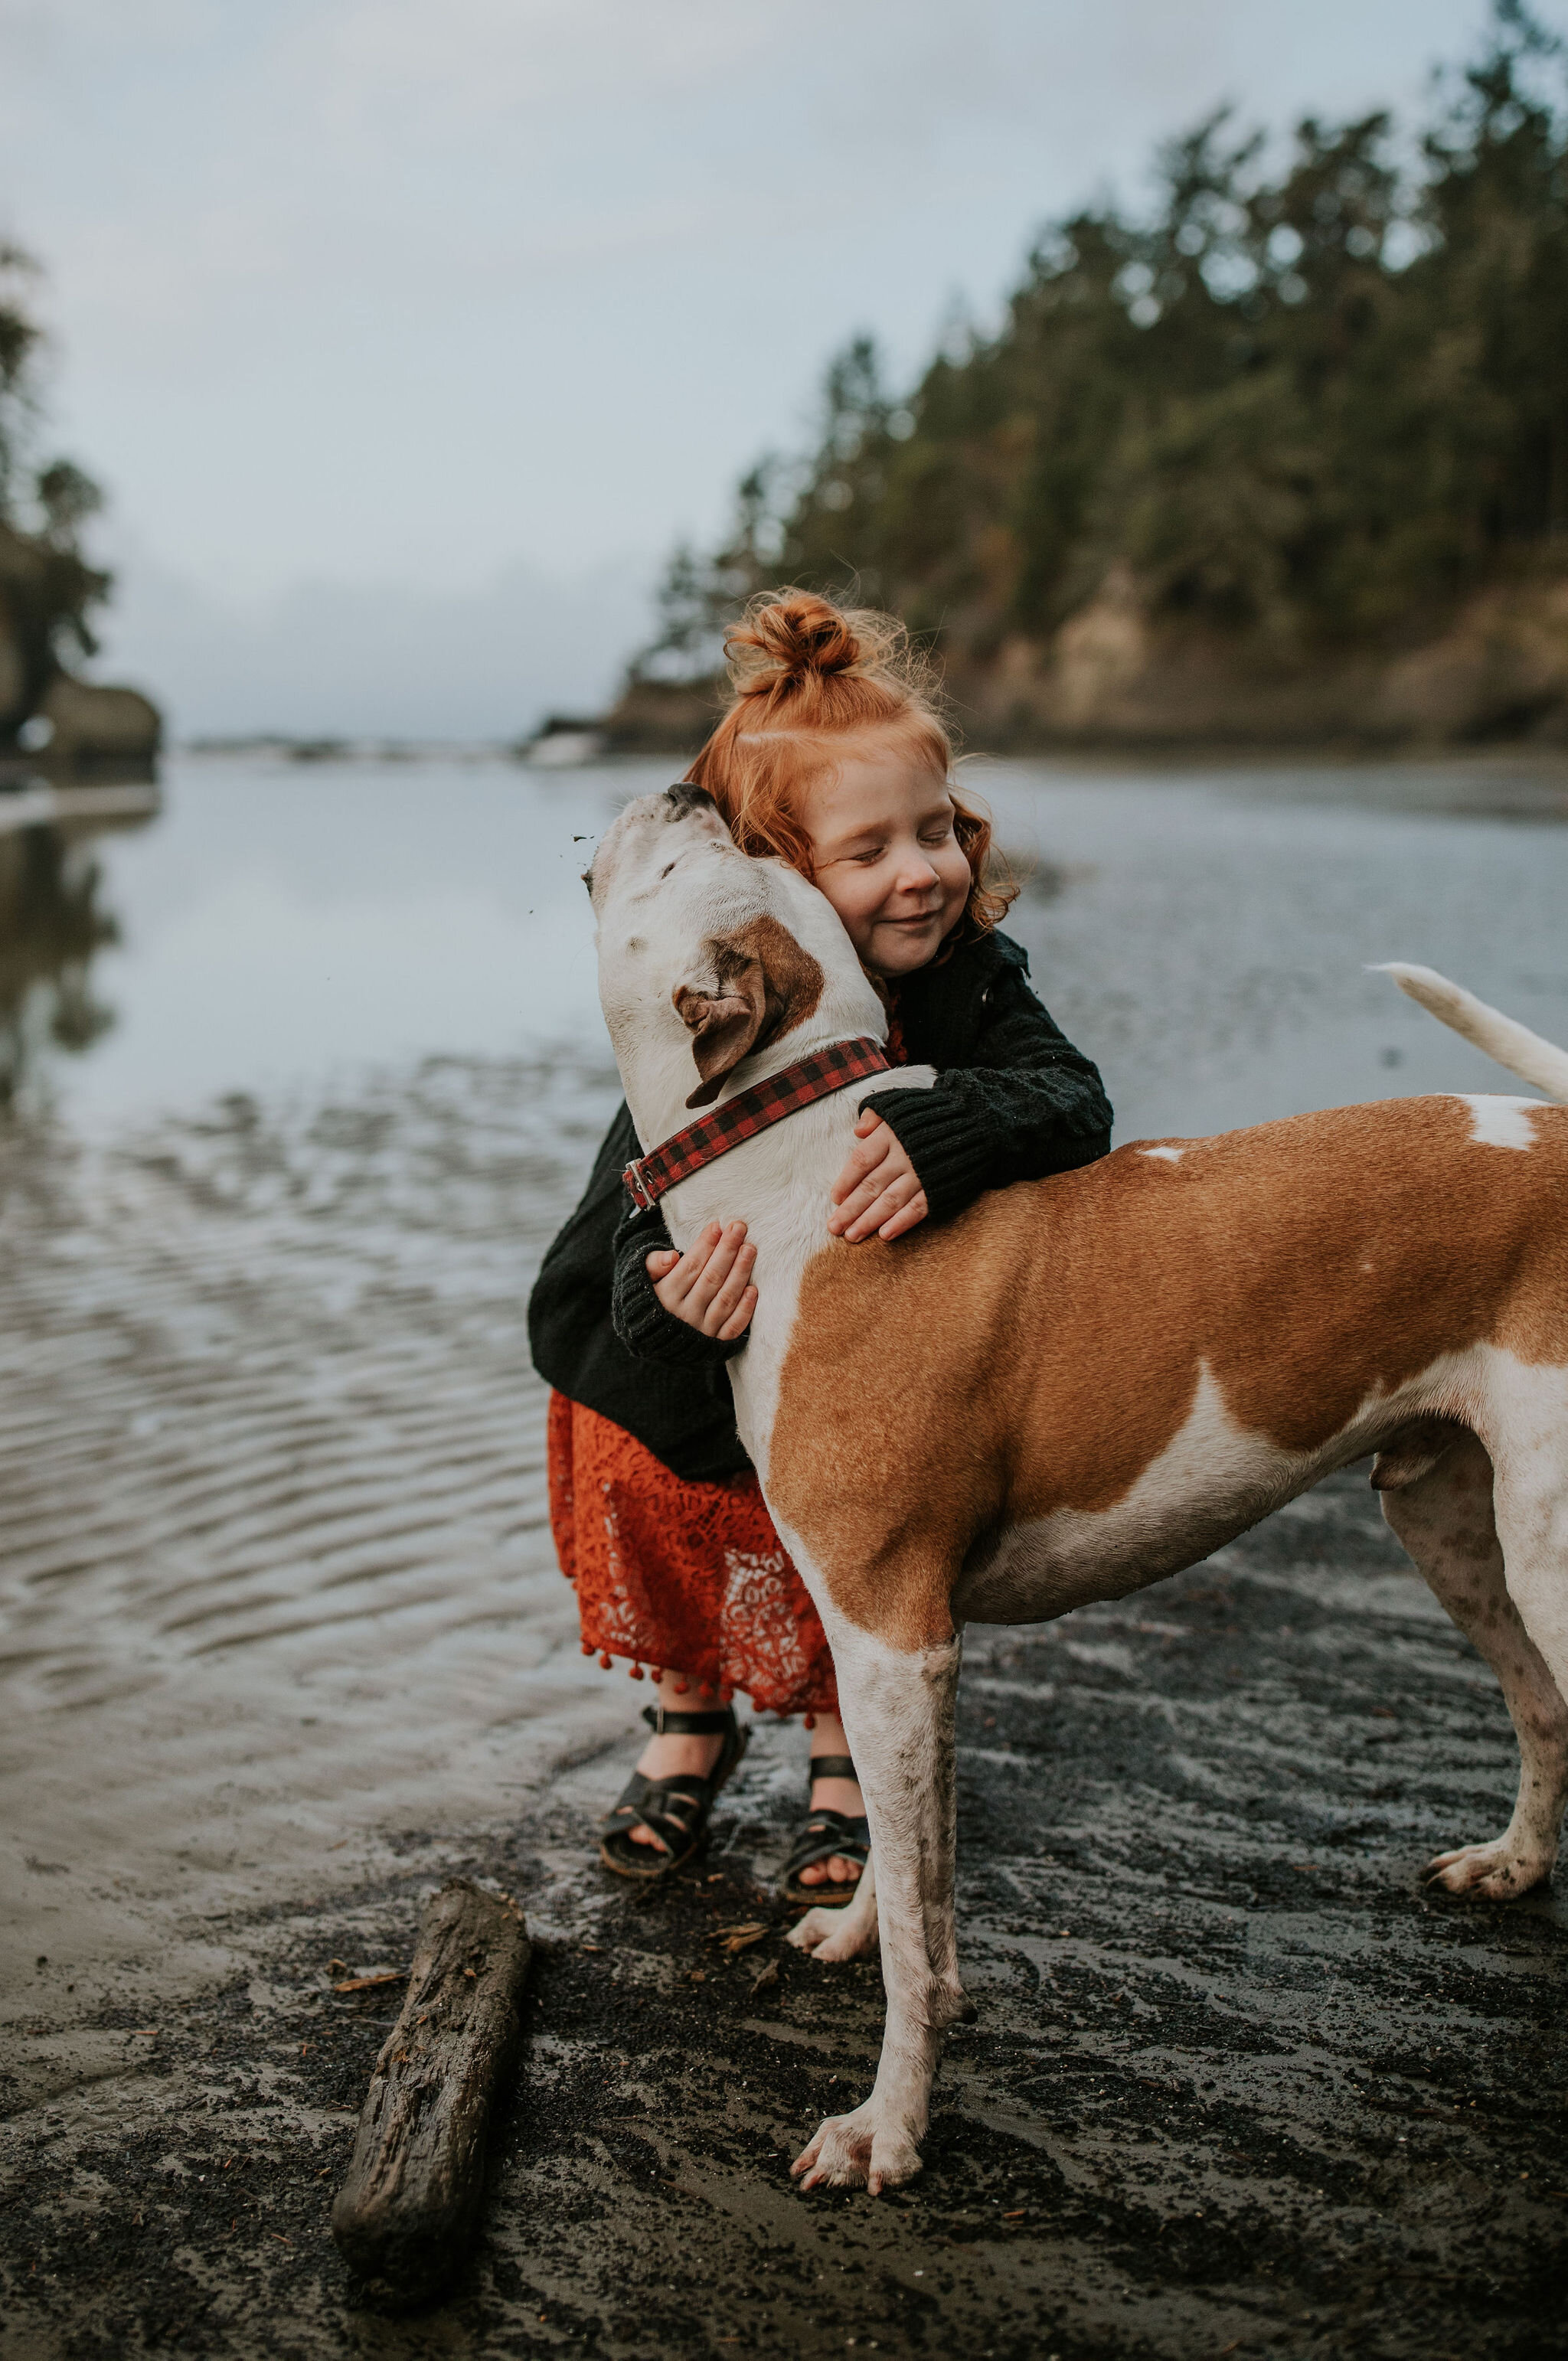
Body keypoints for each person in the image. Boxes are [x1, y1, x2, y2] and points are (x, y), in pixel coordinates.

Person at [528, 589, 1112, 1897]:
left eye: (937, 833)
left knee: (844, 1510)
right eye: (871, 853)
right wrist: (668, 1300)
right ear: (778, 877)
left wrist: (944, 1127)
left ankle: (842, 1742)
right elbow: (637, 1202)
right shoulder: (719, 1000)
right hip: (668, 1349)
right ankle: (689, 1718)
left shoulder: (968, 981)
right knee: (663, 1484)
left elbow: (1077, 1102)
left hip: (850, 1345)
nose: (922, 873)